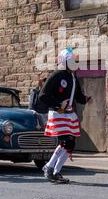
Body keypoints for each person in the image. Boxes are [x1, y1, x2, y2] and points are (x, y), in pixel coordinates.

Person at [39, 47, 91, 184]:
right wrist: (58, 104)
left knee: (70, 144)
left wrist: (85, 99)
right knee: (65, 142)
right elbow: (43, 96)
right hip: (58, 113)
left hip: (69, 115)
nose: (75, 63)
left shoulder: (73, 77)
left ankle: (56, 171)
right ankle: (49, 167)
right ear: (65, 62)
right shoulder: (56, 75)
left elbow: (78, 96)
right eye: (72, 60)